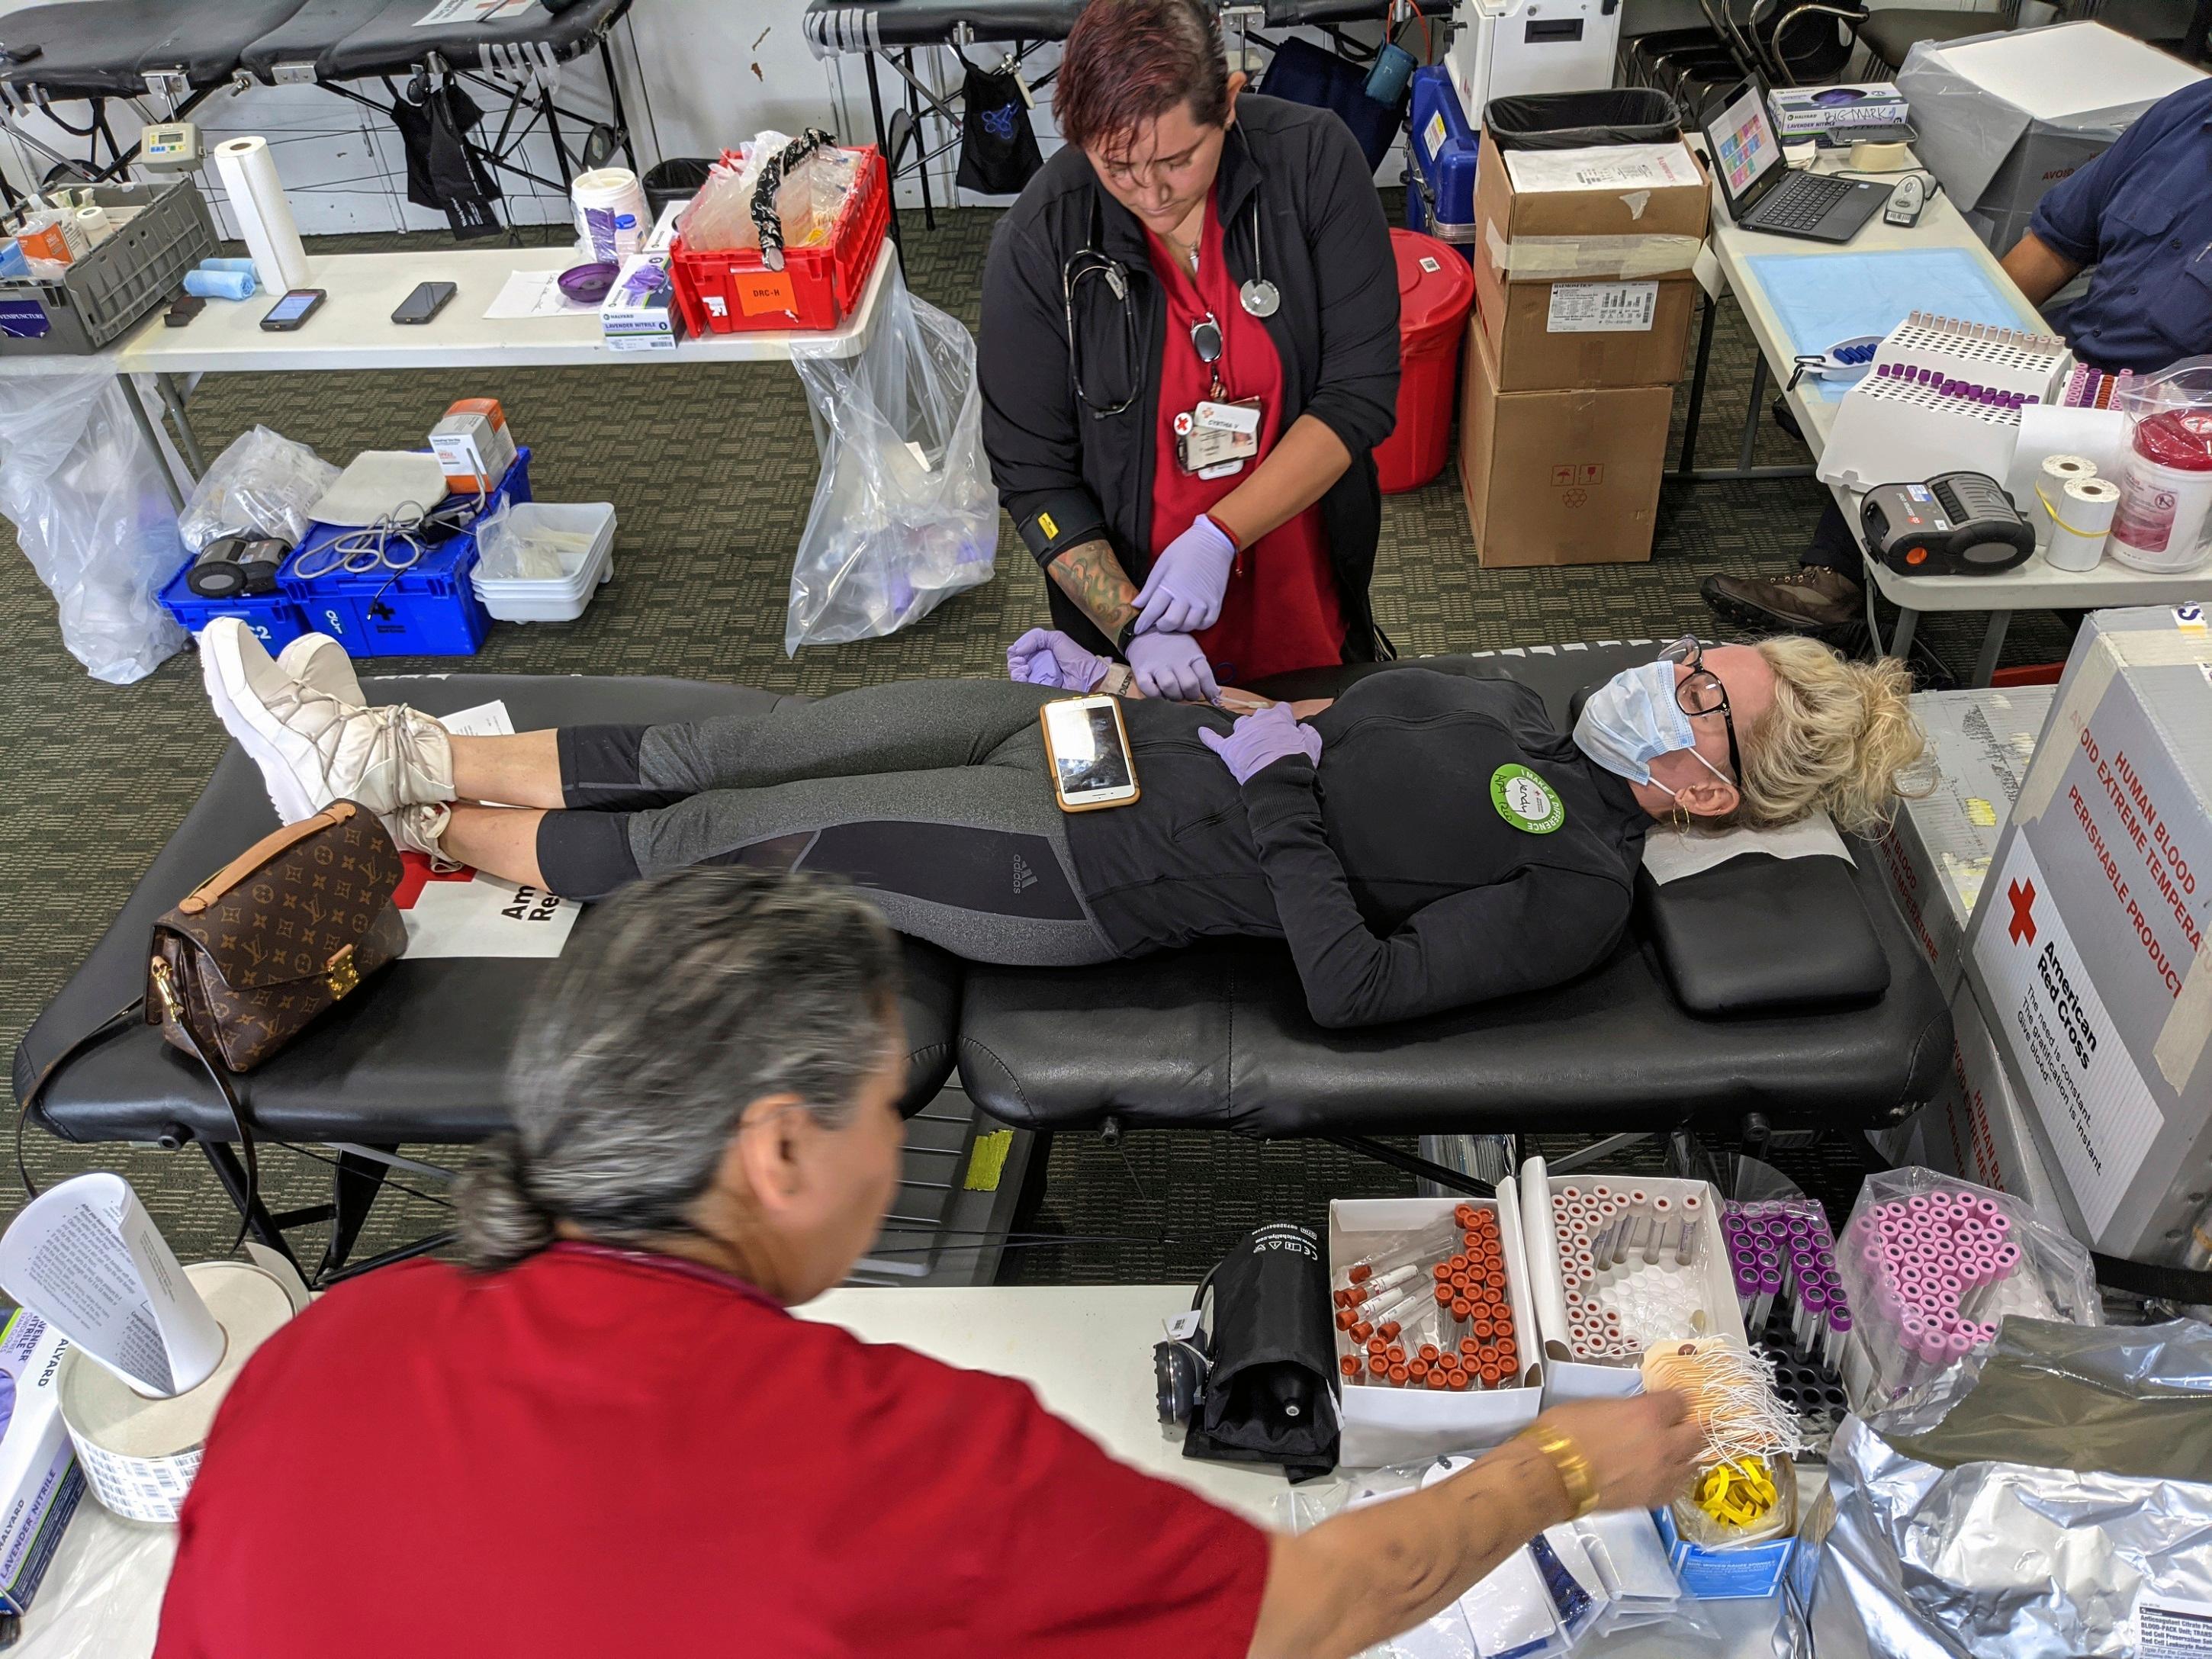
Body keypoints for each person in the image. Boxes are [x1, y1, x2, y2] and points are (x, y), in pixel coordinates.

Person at [154, 866, 1709, 1659]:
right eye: (895, 1104)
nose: (907, 1144)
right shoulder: (895, 1454)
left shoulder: (316, 1351)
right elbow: (1300, 1608)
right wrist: (1561, 1465)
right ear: (775, 1149)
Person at [198, 616, 1923, 1030]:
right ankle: (401, 743)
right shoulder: (1522, 706)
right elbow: (1321, 717)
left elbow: (1350, 982)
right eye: (1697, 653)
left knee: (731, 831)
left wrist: (1290, 803)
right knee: (773, 730)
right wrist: (1187, 685)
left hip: (1094, 866)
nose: (1667, 672)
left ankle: (387, 805)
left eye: (1703, 696)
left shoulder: (1578, 884)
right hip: (1110, 734)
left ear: (1706, 788)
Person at [979, 0, 1400, 703]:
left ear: (1230, 104)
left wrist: (1220, 534)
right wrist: (1132, 625)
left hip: (1298, 575)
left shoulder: (1314, 163)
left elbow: (1358, 395)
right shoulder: (1041, 240)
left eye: (1176, 159)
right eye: (1116, 166)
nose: (1149, 191)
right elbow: (1035, 478)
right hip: (1141, 624)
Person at [1702, 74, 2212, 635]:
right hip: (2078, 353)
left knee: (1940, 425)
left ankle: (1836, 589)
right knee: (1915, 375)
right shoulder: (2192, 113)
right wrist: (1976, 345)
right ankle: (1863, 466)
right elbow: (2060, 240)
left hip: (2167, 423)